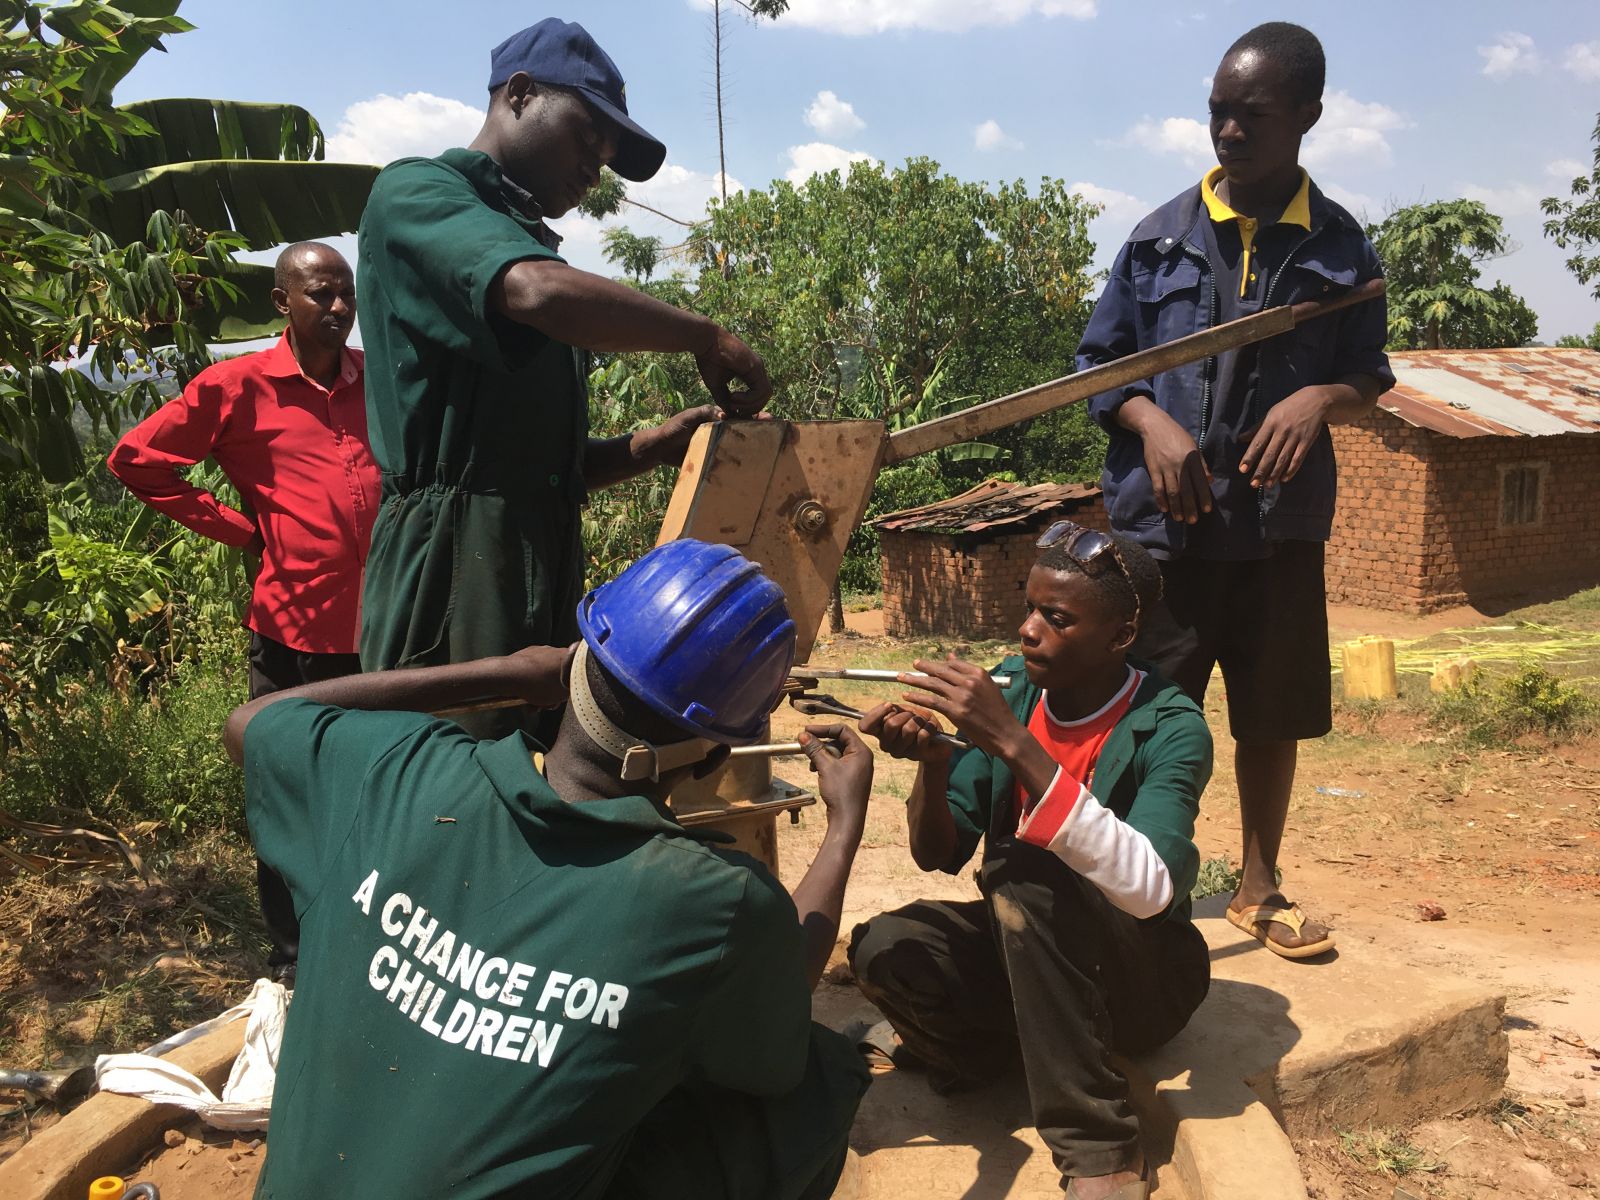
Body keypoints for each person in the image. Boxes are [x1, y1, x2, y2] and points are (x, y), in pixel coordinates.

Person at [224, 539, 872, 1200]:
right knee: (820, 1075)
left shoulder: (395, 771)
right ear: (713, 756)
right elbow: (780, 1014)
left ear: (574, 662)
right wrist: (844, 823)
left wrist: (505, 672)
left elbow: (253, 723)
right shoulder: (710, 901)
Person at [356, 18, 772, 741]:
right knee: (450, 797)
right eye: (589, 137)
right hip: (452, 576)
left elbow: (540, 471)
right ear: (518, 94)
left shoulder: (518, 241)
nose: (596, 167)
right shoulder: (419, 193)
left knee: (529, 802)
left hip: (532, 570)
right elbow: (539, 294)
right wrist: (702, 335)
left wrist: (652, 444)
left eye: (608, 155)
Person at [1075, 21, 1394, 960]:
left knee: (1272, 710)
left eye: (1251, 115)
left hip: (1277, 530)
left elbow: (1371, 372)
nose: (1228, 132)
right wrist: (1149, 421)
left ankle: (1259, 890)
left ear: (1307, 117)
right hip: (1165, 536)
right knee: (1139, 713)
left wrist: (1318, 397)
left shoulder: (1341, 248)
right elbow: (1097, 366)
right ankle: (1120, 891)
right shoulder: (1157, 240)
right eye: (1218, 112)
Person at [850, 524, 1212, 1200]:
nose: (1028, 631)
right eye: (1030, 608)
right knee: (886, 949)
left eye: (1058, 618)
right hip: (1030, 946)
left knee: (1025, 870)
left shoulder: (1169, 723)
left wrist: (1013, 743)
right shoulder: (1017, 693)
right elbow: (939, 854)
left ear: (1119, 637)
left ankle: (1101, 1148)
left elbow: (1152, 889)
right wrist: (932, 761)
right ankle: (1031, 1054)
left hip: (1141, 979)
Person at [108, 240, 377, 980]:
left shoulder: (377, 380)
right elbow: (138, 460)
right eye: (320, 293)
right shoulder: (239, 386)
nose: (337, 308)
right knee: (291, 797)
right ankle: (293, 959)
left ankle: (368, 940)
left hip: (388, 630)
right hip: (296, 631)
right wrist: (239, 530)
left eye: (346, 293)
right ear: (282, 302)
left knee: (379, 791)